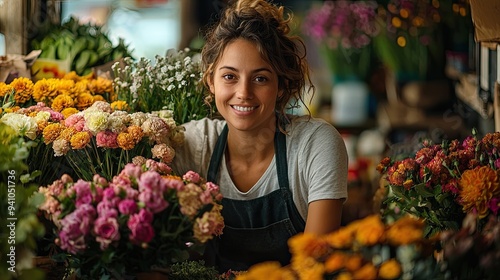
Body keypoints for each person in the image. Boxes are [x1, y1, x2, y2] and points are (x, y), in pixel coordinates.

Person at [172, 0, 348, 273]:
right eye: (230, 76)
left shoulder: (315, 145)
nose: (243, 93)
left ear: (281, 85)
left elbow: (316, 264)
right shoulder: (193, 144)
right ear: (211, 80)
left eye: (261, 79)